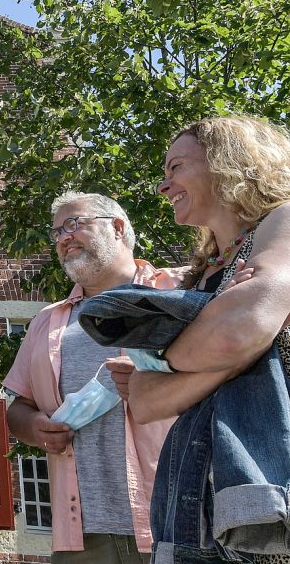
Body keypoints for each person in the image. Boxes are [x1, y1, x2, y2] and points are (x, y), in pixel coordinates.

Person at [125, 117, 290, 563]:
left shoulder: (283, 222)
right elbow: (141, 399)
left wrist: (175, 359)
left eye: (176, 167)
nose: (164, 186)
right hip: (191, 507)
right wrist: (224, 359)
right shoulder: (204, 275)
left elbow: (242, 328)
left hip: (267, 509)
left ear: (226, 163)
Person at [2, 192, 182, 563]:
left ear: (117, 227)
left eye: (74, 224)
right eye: (56, 232)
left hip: (176, 520)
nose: (63, 238)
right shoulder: (47, 321)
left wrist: (152, 381)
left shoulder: (179, 292)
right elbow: (19, 409)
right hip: (83, 537)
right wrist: (35, 426)